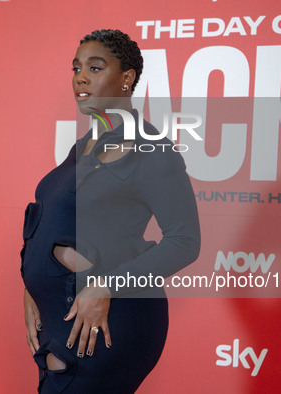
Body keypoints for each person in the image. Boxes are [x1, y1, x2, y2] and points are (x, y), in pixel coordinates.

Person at [21, 29, 200, 393]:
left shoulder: (152, 149)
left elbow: (185, 241)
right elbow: (54, 225)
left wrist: (105, 286)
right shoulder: (83, 148)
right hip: (62, 318)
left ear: (127, 78)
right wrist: (30, 285)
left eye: (95, 67)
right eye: (76, 68)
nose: (81, 77)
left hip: (109, 319)